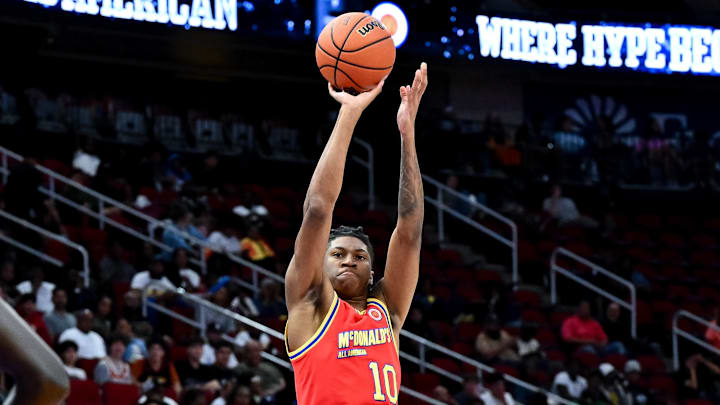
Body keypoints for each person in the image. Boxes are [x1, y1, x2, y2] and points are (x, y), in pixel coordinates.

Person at [284, 63, 428, 404]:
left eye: (360, 256)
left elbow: (409, 230)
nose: (349, 261)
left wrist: (407, 135)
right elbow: (318, 208)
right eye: (338, 254)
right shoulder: (308, 304)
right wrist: (350, 112)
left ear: (372, 273)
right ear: (321, 265)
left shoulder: (386, 312)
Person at [0, 295, 69, 404]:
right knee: (52, 381)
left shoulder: (38, 319)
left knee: (53, 382)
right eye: (27, 303)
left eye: (32, 303)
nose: (29, 306)